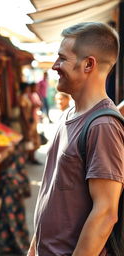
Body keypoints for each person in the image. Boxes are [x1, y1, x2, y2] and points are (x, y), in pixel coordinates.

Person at [28, 22, 124, 256]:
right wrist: (34, 249)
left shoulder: (103, 126)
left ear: (88, 64)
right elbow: (51, 197)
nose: (54, 66)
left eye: (62, 58)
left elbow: (105, 213)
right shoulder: (67, 115)